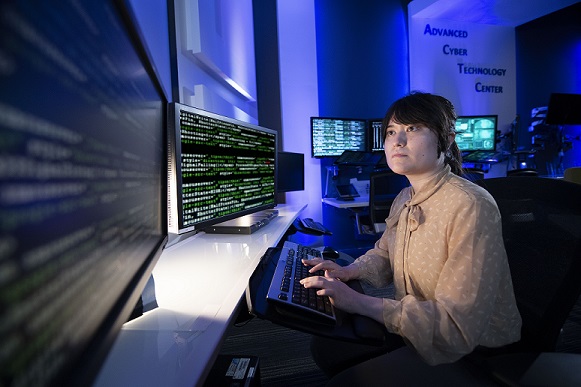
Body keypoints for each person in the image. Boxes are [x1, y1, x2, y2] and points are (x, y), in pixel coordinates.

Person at [301, 91, 522, 384]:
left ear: (446, 138)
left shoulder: (469, 204)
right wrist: (348, 271)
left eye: (413, 129)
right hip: (419, 325)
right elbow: (385, 252)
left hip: (474, 346)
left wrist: (358, 302)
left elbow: (456, 327)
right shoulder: (406, 197)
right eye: (391, 131)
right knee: (327, 344)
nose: (397, 141)